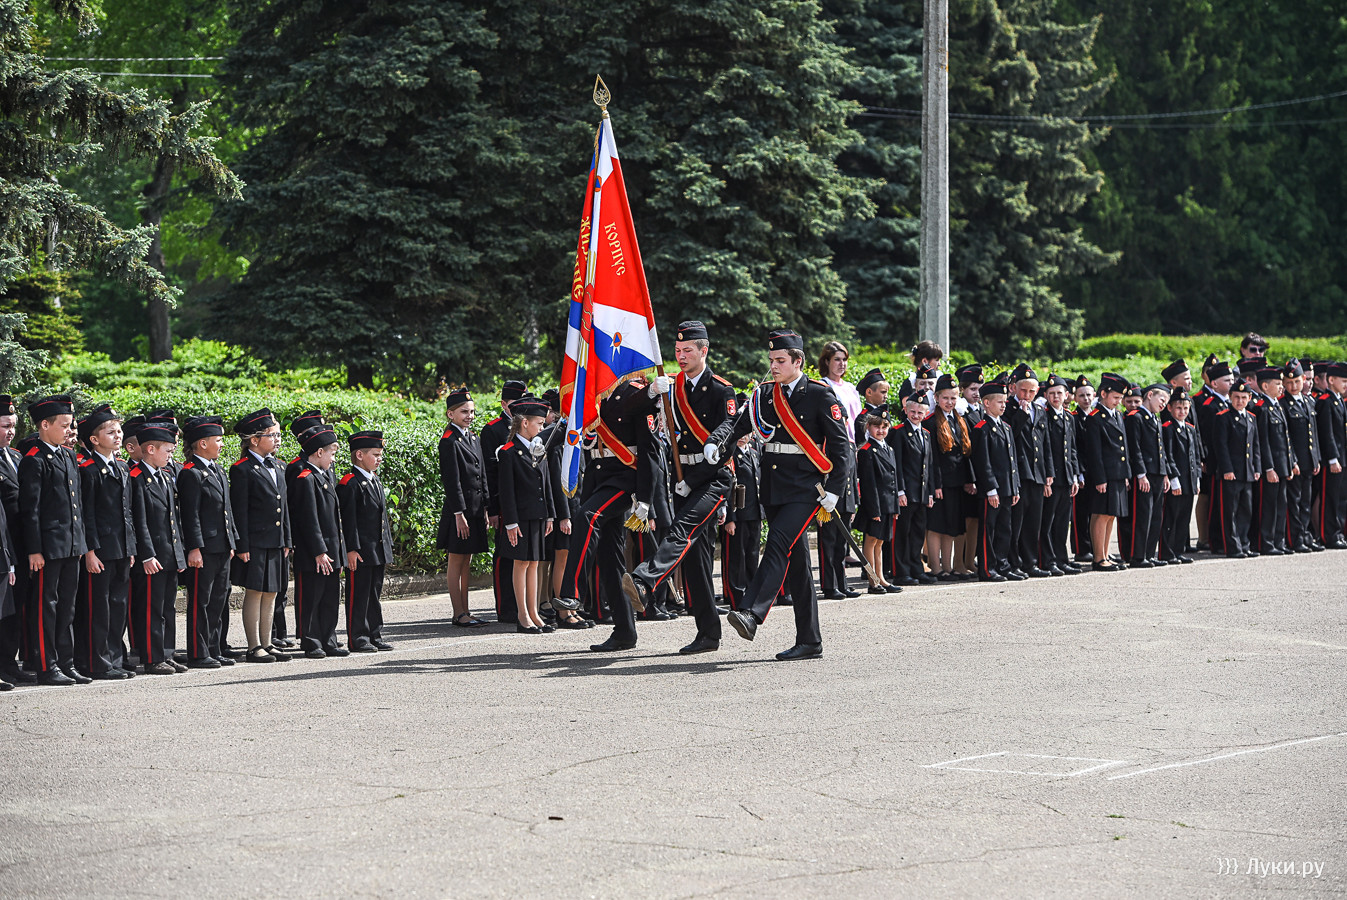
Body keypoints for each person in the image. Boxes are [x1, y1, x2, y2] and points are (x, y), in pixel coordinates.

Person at [707, 329, 849, 661]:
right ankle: (809, 640)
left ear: (798, 361)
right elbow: (737, 424)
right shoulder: (764, 395)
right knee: (798, 566)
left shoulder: (819, 395)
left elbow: (841, 448)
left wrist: (834, 490)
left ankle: (751, 613)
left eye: (780, 360)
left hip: (806, 488)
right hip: (774, 487)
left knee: (777, 542)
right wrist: (716, 441)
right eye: (771, 360)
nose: (773, 366)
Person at [623, 321, 737, 654]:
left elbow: (729, 430)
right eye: (677, 350)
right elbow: (628, 412)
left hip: (712, 478)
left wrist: (694, 478)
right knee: (696, 560)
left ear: (704, 351)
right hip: (682, 477)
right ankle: (708, 633)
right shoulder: (671, 387)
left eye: (688, 350)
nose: (681, 355)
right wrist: (650, 393)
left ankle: (644, 579)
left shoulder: (721, 389)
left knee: (681, 530)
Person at [555, 376, 660, 651]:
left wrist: (646, 499)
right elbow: (571, 426)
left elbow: (650, 449)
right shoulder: (594, 393)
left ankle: (572, 592)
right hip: (597, 477)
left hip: (625, 478)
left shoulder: (637, 393)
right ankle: (625, 631)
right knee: (610, 558)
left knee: (587, 516)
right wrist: (541, 440)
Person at [19, 395, 89, 685]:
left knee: (67, 607)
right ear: (44, 425)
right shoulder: (34, 459)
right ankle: (46, 666)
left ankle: (65, 662)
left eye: (70, 425)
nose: (69, 431)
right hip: (48, 548)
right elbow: (30, 510)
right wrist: (34, 550)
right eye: (64, 425)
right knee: (45, 606)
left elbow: (76, 504)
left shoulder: (67, 456)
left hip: (71, 544)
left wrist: (80, 542)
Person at [72, 405, 133, 680]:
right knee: (98, 608)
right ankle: (96, 662)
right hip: (100, 550)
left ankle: (114, 658)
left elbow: (126, 511)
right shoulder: (88, 469)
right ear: (94, 440)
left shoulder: (121, 467)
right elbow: (87, 514)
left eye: (119, 431)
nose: (118, 435)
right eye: (111, 432)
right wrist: (90, 551)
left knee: (118, 606)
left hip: (121, 547)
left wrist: (130, 547)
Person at [229, 409, 292, 664]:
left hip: (276, 540)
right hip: (255, 542)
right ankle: (254, 645)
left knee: (272, 592)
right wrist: (242, 545)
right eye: (271, 435)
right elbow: (240, 510)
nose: (277, 440)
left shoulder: (279, 465)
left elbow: (284, 507)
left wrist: (287, 539)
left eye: (278, 435)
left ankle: (268, 642)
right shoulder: (242, 469)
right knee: (255, 591)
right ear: (254, 440)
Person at [177, 415, 237, 669]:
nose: (222, 444)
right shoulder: (191, 473)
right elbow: (190, 515)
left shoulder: (217, 469)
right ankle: (198, 652)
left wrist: (232, 540)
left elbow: (226, 509)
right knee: (201, 601)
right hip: (204, 548)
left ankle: (214, 647)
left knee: (218, 599)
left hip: (221, 545)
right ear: (202, 443)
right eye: (218, 440)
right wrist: (194, 548)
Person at [127, 419, 187, 675]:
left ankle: (167, 652)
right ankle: (152, 657)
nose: (171, 455)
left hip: (168, 553)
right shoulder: (137, 478)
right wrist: (147, 554)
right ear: (150, 449)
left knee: (167, 607)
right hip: (152, 556)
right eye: (168, 450)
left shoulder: (165, 476)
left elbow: (173, 519)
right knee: (151, 608)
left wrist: (179, 553)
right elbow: (139, 521)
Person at [497, 395, 561, 634]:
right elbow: (507, 492)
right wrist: (511, 522)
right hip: (520, 517)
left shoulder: (538, 449)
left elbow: (547, 484)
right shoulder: (508, 452)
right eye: (539, 423)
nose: (542, 428)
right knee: (521, 563)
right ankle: (522, 615)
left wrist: (550, 515)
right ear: (525, 423)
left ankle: (534, 612)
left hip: (538, 515)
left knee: (534, 563)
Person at [290, 424, 347, 658]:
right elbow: (308, 520)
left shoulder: (324, 475)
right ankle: (311, 640)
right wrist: (319, 551)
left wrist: (338, 551)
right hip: (314, 552)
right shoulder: (305, 478)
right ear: (319, 452)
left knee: (330, 597)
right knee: (312, 597)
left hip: (331, 548)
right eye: (331, 453)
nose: (333, 459)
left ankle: (328, 638)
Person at [337, 431, 396, 651]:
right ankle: (358, 637)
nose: (380, 458)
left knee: (374, 593)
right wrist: (351, 549)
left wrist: (386, 546)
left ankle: (374, 633)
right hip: (361, 550)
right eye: (375, 454)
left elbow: (381, 518)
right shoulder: (350, 483)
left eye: (380, 454)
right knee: (359, 594)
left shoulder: (374, 480)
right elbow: (348, 520)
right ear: (359, 455)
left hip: (376, 549)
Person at [436, 387, 489, 627]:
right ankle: (458, 612)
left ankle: (466, 610)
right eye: (464, 412)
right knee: (456, 560)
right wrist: (459, 514)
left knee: (467, 560)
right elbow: (452, 481)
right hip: (459, 511)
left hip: (475, 509)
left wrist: (486, 508)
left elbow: (482, 474)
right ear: (451, 414)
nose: (470, 416)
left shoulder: (473, 438)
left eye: (472, 411)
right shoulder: (449, 441)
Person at [816, 341, 860, 600]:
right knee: (830, 526)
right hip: (831, 450)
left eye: (844, 359)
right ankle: (829, 584)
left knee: (845, 520)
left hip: (850, 450)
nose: (841, 364)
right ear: (826, 361)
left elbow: (857, 423)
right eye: (836, 359)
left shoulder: (851, 389)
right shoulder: (822, 387)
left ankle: (841, 582)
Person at [482, 381, 527, 624]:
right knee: (504, 555)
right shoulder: (493, 430)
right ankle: (505, 607)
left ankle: (523, 606)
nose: (520, 408)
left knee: (524, 555)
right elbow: (489, 473)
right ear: (504, 404)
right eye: (515, 403)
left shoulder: (528, 426)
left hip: (525, 502)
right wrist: (492, 508)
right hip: (503, 501)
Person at [1003, 364, 1053, 578]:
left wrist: (1049, 472)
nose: (1027, 395)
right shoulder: (1007, 408)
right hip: (1020, 473)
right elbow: (1009, 436)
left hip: (1037, 472)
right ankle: (1014, 562)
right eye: (1023, 390)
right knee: (1016, 523)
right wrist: (1021, 415)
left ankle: (1030, 562)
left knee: (1034, 522)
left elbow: (1045, 443)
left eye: (1032, 391)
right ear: (1013, 388)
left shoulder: (1040, 410)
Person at [924, 374, 974, 580]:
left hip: (956, 482)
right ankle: (936, 568)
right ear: (936, 398)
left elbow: (965, 454)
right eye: (945, 398)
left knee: (952, 526)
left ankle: (949, 566)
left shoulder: (959, 420)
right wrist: (936, 485)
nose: (949, 402)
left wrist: (969, 480)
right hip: (940, 483)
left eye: (953, 398)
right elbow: (932, 458)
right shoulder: (930, 422)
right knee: (937, 525)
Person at [971, 378, 1021, 582]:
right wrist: (991, 489)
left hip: (1007, 487)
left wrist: (1015, 487)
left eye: (1004, 401)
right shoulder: (981, 428)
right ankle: (987, 568)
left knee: (1004, 528)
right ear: (987, 403)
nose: (1003, 405)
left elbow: (1012, 460)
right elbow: (983, 462)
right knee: (988, 530)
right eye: (999, 402)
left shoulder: (1006, 427)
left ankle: (1003, 564)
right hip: (992, 490)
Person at [1082, 373, 1131, 572]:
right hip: (1105, 475)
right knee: (1101, 514)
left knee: (1111, 515)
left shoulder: (1117, 415)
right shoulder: (1095, 418)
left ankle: (1105, 553)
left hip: (1117, 474)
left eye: (1120, 398)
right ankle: (1098, 557)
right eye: (1115, 397)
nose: (1118, 402)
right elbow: (1094, 452)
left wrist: (1126, 474)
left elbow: (1124, 448)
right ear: (1103, 394)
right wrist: (1100, 478)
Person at [1122, 383, 1172, 567]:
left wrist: (1165, 473)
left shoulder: (1155, 418)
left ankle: (1149, 554)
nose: (1163, 404)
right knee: (1142, 515)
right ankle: (1137, 555)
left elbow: (1161, 448)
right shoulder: (1136, 417)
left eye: (1166, 402)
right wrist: (1141, 474)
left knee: (1155, 516)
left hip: (1157, 472)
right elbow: (1135, 448)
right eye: (1162, 399)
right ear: (1150, 395)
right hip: (1144, 474)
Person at [890, 392, 938, 586]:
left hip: (921, 492)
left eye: (920, 412)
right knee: (903, 532)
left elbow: (929, 465)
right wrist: (900, 491)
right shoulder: (899, 432)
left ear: (925, 414)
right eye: (913, 412)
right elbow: (897, 465)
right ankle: (901, 571)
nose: (916, 415)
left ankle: (916, 568)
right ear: (906, 410)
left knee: (918, 532)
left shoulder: (926, 434)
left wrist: (930, 492)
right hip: (907, 493)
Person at [1040, 375, 1083, 575]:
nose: (1056, 397)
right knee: (1048, 522)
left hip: (1065, 476)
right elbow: (1044, 449)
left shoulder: (1068, 417)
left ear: (1067, 395)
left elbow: (1072, 449)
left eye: (1059, 393)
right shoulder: (1043, 416)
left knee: (1062, 522)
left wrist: (1074, 475)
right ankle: (1048, 560)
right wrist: (1047, 477)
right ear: (1046, 395)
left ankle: (1061, 558)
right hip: (1052, 477)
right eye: (1052, 393)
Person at [1214, 383, 1262, 558]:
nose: (1240, 401)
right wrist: (1227, 469)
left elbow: (1255, 446)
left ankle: (1244, 544)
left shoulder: (1251, 417)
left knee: (1245, 510)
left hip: (1247, 471)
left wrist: (1256, 468)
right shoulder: (1223, 417)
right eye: (1236, 397)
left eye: (1243, 398)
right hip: (1232, 472)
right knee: (1230, 511)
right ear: (1230, 397)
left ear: (1249, 398)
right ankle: (1233, 547)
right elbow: (1221, 446)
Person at [1280, 360, 1322, 553]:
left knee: (1306, 501)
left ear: (1304, 379)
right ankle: (1295, 539)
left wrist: (1316, 458)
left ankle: (1305, 536)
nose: (1293, 386)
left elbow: (1314, 433)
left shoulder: (1308, 401)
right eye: (1289, 383)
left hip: (1308, 461)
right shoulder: (1283, 404)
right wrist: (1292, 461)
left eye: (1296, 381)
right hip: (1295, 462)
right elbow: (1286, 437)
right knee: (1294, 503)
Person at [0, 396, 27, 685]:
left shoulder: (17, 457)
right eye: (5, 426)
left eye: (13, 426)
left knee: (16, 608)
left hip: (21, 545)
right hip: (3, 544)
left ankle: (9, 662)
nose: (11, 431)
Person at [856, 408, 898, 593]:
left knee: (880, 541)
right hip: (875, 505)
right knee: (871, 540)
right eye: (876, 427)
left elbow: (894, 480)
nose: (881, 430)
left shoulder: (889, 449)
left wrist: (895, 507)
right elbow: (868, 484)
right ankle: (872, 580)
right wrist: (874, 510)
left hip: (887, 504)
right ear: (868, 427)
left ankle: (881, 578)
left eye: (884, 427)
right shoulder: (866, 450)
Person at [1254, 367, 1295, 556]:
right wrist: (1269, 468)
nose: (1281, 387)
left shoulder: (1277, 405)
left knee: (1280, 505)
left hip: (1282, 465)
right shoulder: (1262, 408)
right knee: (1268, 506)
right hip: (1271, 468)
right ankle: (1266, 542)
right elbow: (1263, 441)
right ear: (1265, 386)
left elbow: (1285, 438)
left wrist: (1291, 462)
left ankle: (1279, 541)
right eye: (1277, 384)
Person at [721, 424, 762, 610]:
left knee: (752, 555)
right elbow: (727, 487)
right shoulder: (730, 456)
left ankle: (751, 595)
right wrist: (730, 518)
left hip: (754, 513)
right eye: (739, 433)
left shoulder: (754, 453)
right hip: (738, 515)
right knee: (737, 558)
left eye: (746, 433)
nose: (742, 437)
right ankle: (735, 597)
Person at [1196, 360, 1235, 553]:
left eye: (1232, 379)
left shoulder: (1231, 403)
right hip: (1215, 462)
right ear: (1214, 384)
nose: (1231, 383)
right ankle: (1215, 541)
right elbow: (1206, 436)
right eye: (1227, 380)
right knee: (1215, 503)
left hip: (1231, 462)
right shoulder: (1210, 406)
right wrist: (1204, 459)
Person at [1160, 388, 1200, 564]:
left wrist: (1197, 478)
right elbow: (1168, 455)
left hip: (1189, 480)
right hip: (1177, 480)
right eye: (1178, 408)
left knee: (1184, 517)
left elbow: (1195, 456)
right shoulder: (1167, 428)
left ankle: (1178, 550)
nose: (1182, 411)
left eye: (1185, 408)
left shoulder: (1190, 428)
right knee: (1172, 516)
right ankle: (1167, 552)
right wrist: (1174, 478)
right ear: (1169, 408)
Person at [1315, 362, 1347, 548]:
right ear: (1332, 380)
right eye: (1343, 381)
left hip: (1342, 458)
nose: (1346, 385)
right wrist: (1333, 458)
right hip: (1332, 459)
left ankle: (1338, 532)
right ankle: (1328, 535)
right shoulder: (1325, 401)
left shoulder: (1339, 401)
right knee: (1330, 498)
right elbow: (1327, 433)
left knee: (1341, 498)